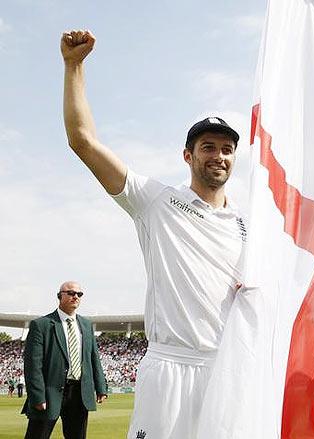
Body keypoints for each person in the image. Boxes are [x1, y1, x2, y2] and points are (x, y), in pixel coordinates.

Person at [60, 30, 246, 439]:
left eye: (227, 149)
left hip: (228, 373)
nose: (218, 156)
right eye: (208, 147)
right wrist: (74, 66)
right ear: (188, 155)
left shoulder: (247, 226)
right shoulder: (156, 201)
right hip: (169, 369)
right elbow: (84, 142)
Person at [22, 281, 107, 439]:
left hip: (79, 394)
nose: (75, 296)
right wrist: (37, 396)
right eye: (71, 293)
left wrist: (101, 386)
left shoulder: (86, 325)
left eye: (79, 294)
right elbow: (33, 365)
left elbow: (93, 357)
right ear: (59, 296)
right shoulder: (41, 325)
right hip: (50, 392)